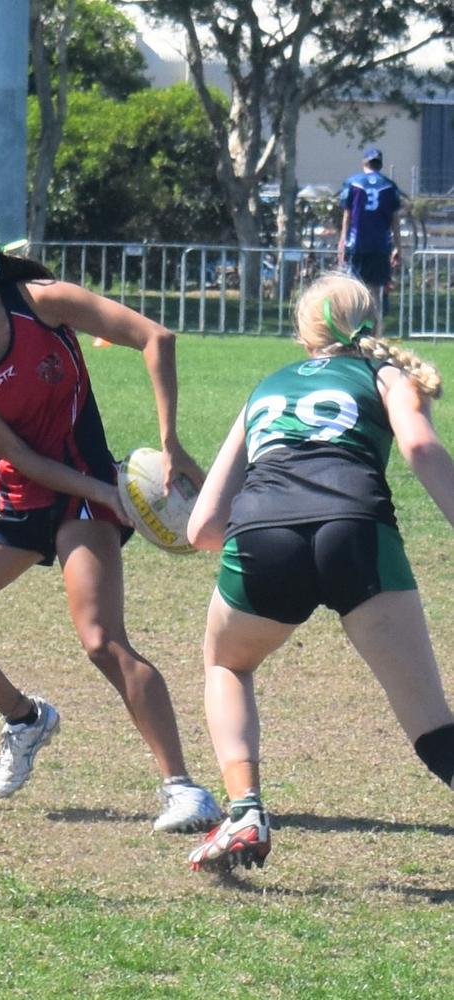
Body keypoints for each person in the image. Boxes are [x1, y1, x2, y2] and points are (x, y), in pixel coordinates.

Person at [0, 205, 223, 834]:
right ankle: (24, 718)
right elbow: (19, 457)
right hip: (28, 488)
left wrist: (170, 446)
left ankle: (186, 791)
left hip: (82, 484)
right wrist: (110, 493)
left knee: (101, 641)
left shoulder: (43, 302)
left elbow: (157, 337)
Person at [185, 271, 454, 873]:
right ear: (373, 324)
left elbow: (202, 529)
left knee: (228, 664)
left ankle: (245, 811)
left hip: (261, 534)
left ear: (303, 337)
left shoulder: (266, 387)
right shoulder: (387, 374)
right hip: (355, 531)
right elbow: (419, 448)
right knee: (434, 731)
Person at [338, 147, 402, 328]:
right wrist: (398, 246)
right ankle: (376, 334)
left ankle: (353, 330)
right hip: (380, 245)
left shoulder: (353, 183)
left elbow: (347, 216)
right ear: (380, 164)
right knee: (375, 292)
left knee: (354, 290)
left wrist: (342, 241)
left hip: (357, 244)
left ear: (364, 162)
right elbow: (395, 220)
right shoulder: (389, 185)